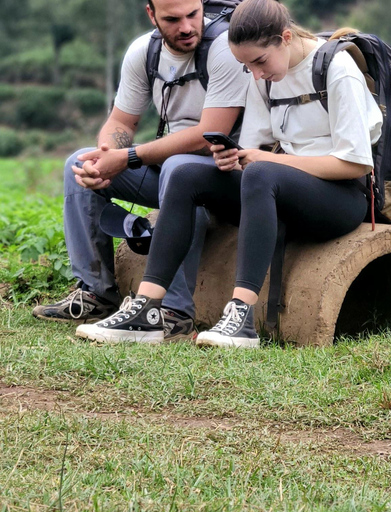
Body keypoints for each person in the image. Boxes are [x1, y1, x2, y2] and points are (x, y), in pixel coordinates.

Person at [75, 0, 382, 348]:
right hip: (282, 189)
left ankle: (241, 319)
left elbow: (355, 164)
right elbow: (252, 150)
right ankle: (146, 310)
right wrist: (232, 159)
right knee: (186, 175)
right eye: (247, 66)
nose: (256, 75)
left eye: (259, 62)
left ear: (285, 38)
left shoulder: (337, 69)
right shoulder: (264, 77)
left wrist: (265, 163)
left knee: (262, 173)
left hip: (340, 199)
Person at [31, 0, 248, 342]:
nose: (186, 27)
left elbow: (210, 133)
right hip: (172, 167)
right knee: (79, 162)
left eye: (193, 15)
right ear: (151, 15)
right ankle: (96, 293)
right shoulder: (144, 52)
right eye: (172, 19)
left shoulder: (224, 48)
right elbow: (121, 121)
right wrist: (106, 156)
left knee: (178, 169)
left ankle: (174, 313)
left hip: (231, 174)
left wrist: (130, 157)